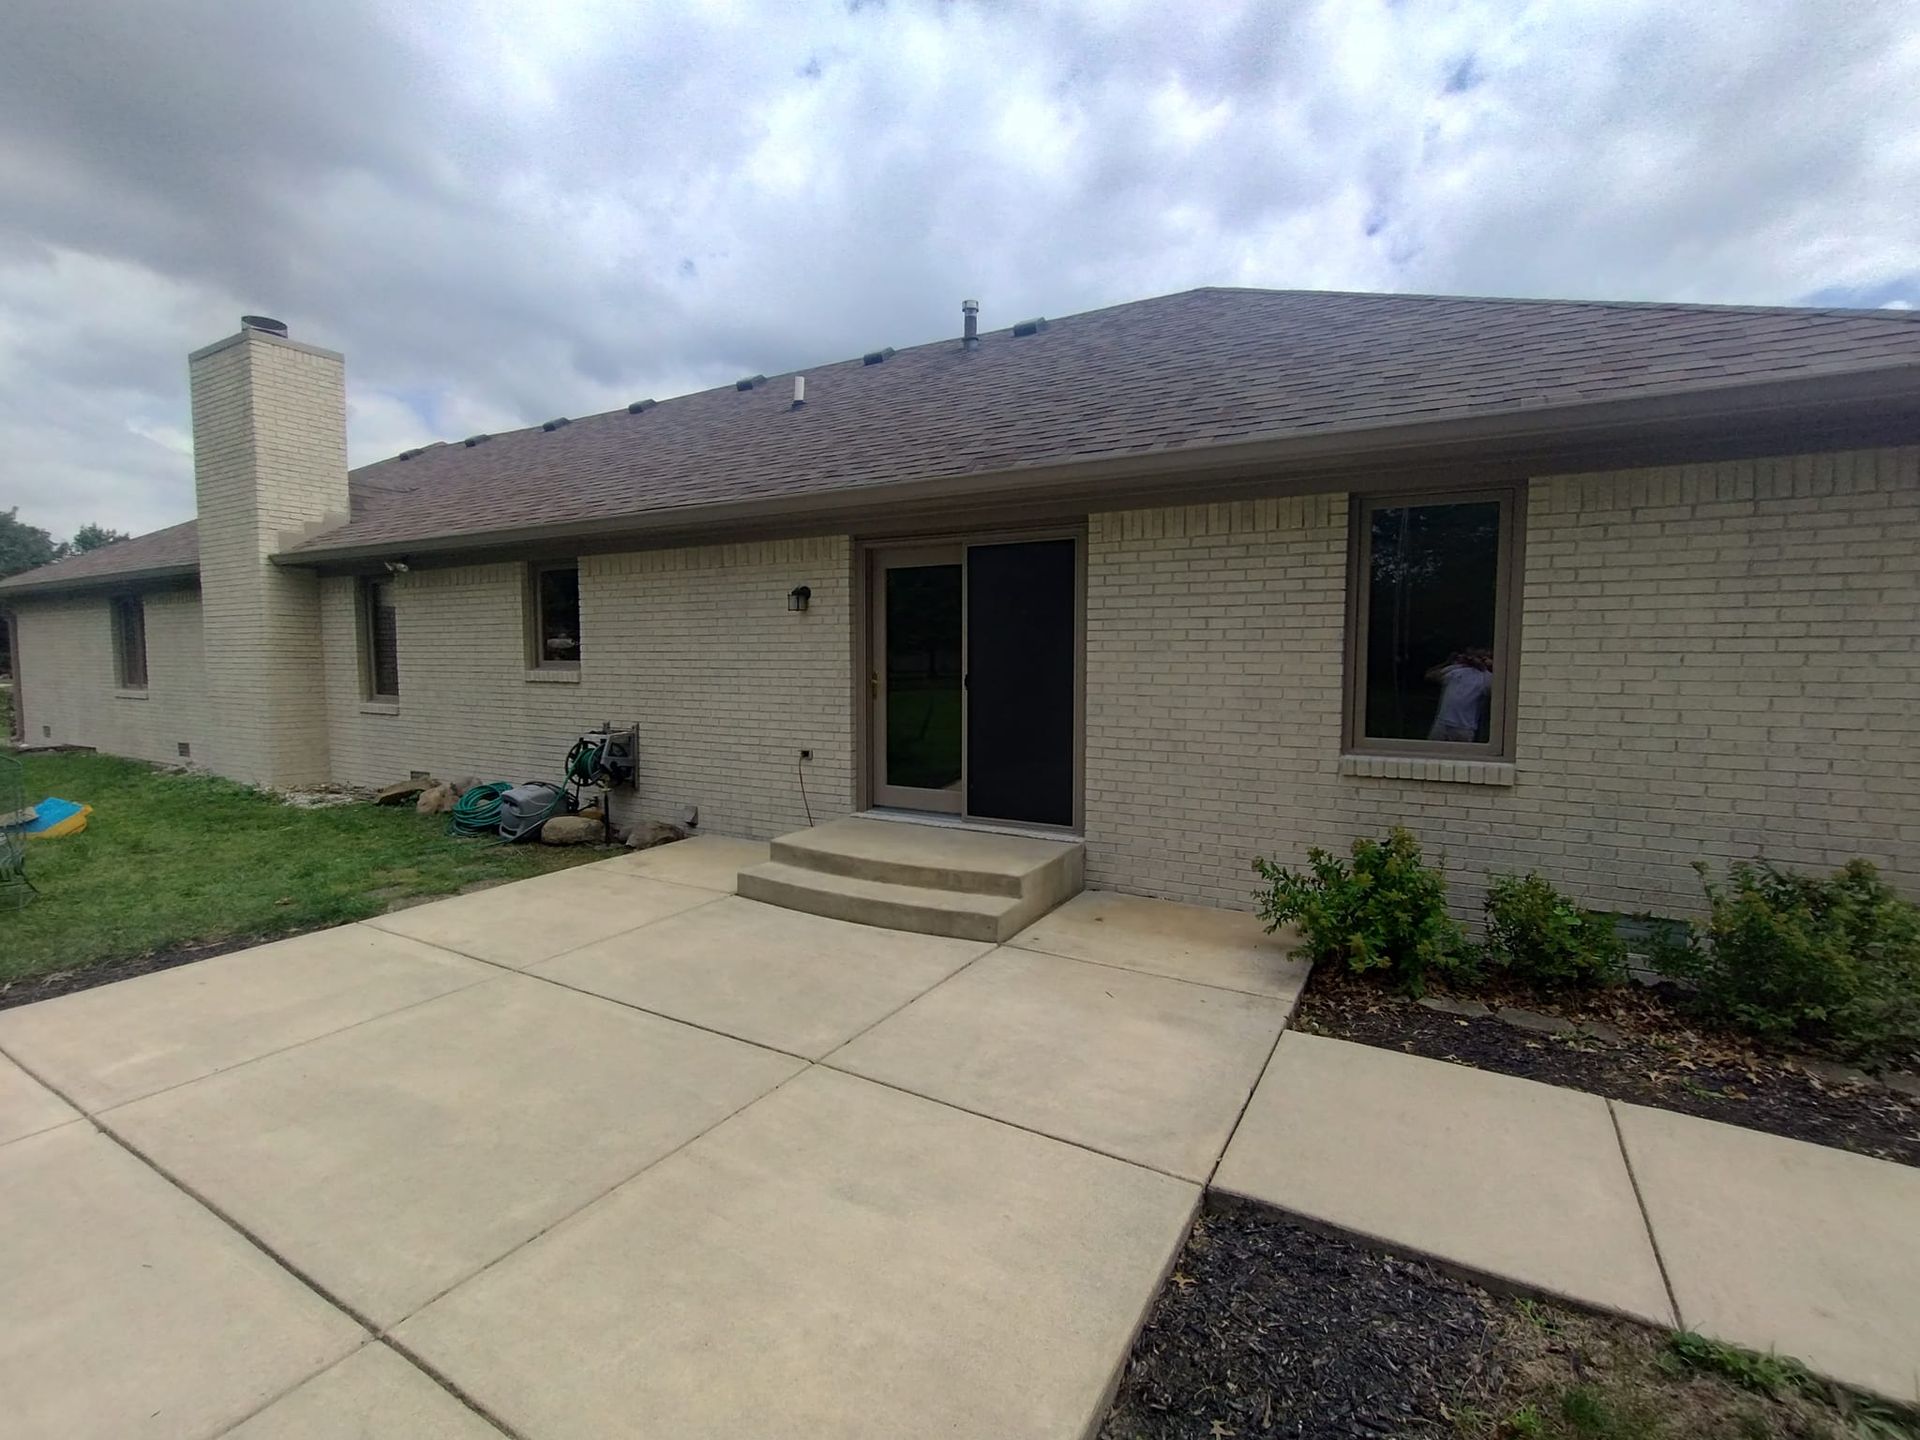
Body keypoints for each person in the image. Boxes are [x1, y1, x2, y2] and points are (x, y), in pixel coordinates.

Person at [1425, 648, 1493, 742]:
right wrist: (1447, 662)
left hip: (1464, 727)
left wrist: (1493, 666)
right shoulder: (1457, 669)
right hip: (1442, 722)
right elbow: (1430, 676)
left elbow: (1501, 689)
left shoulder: (1487, 677)